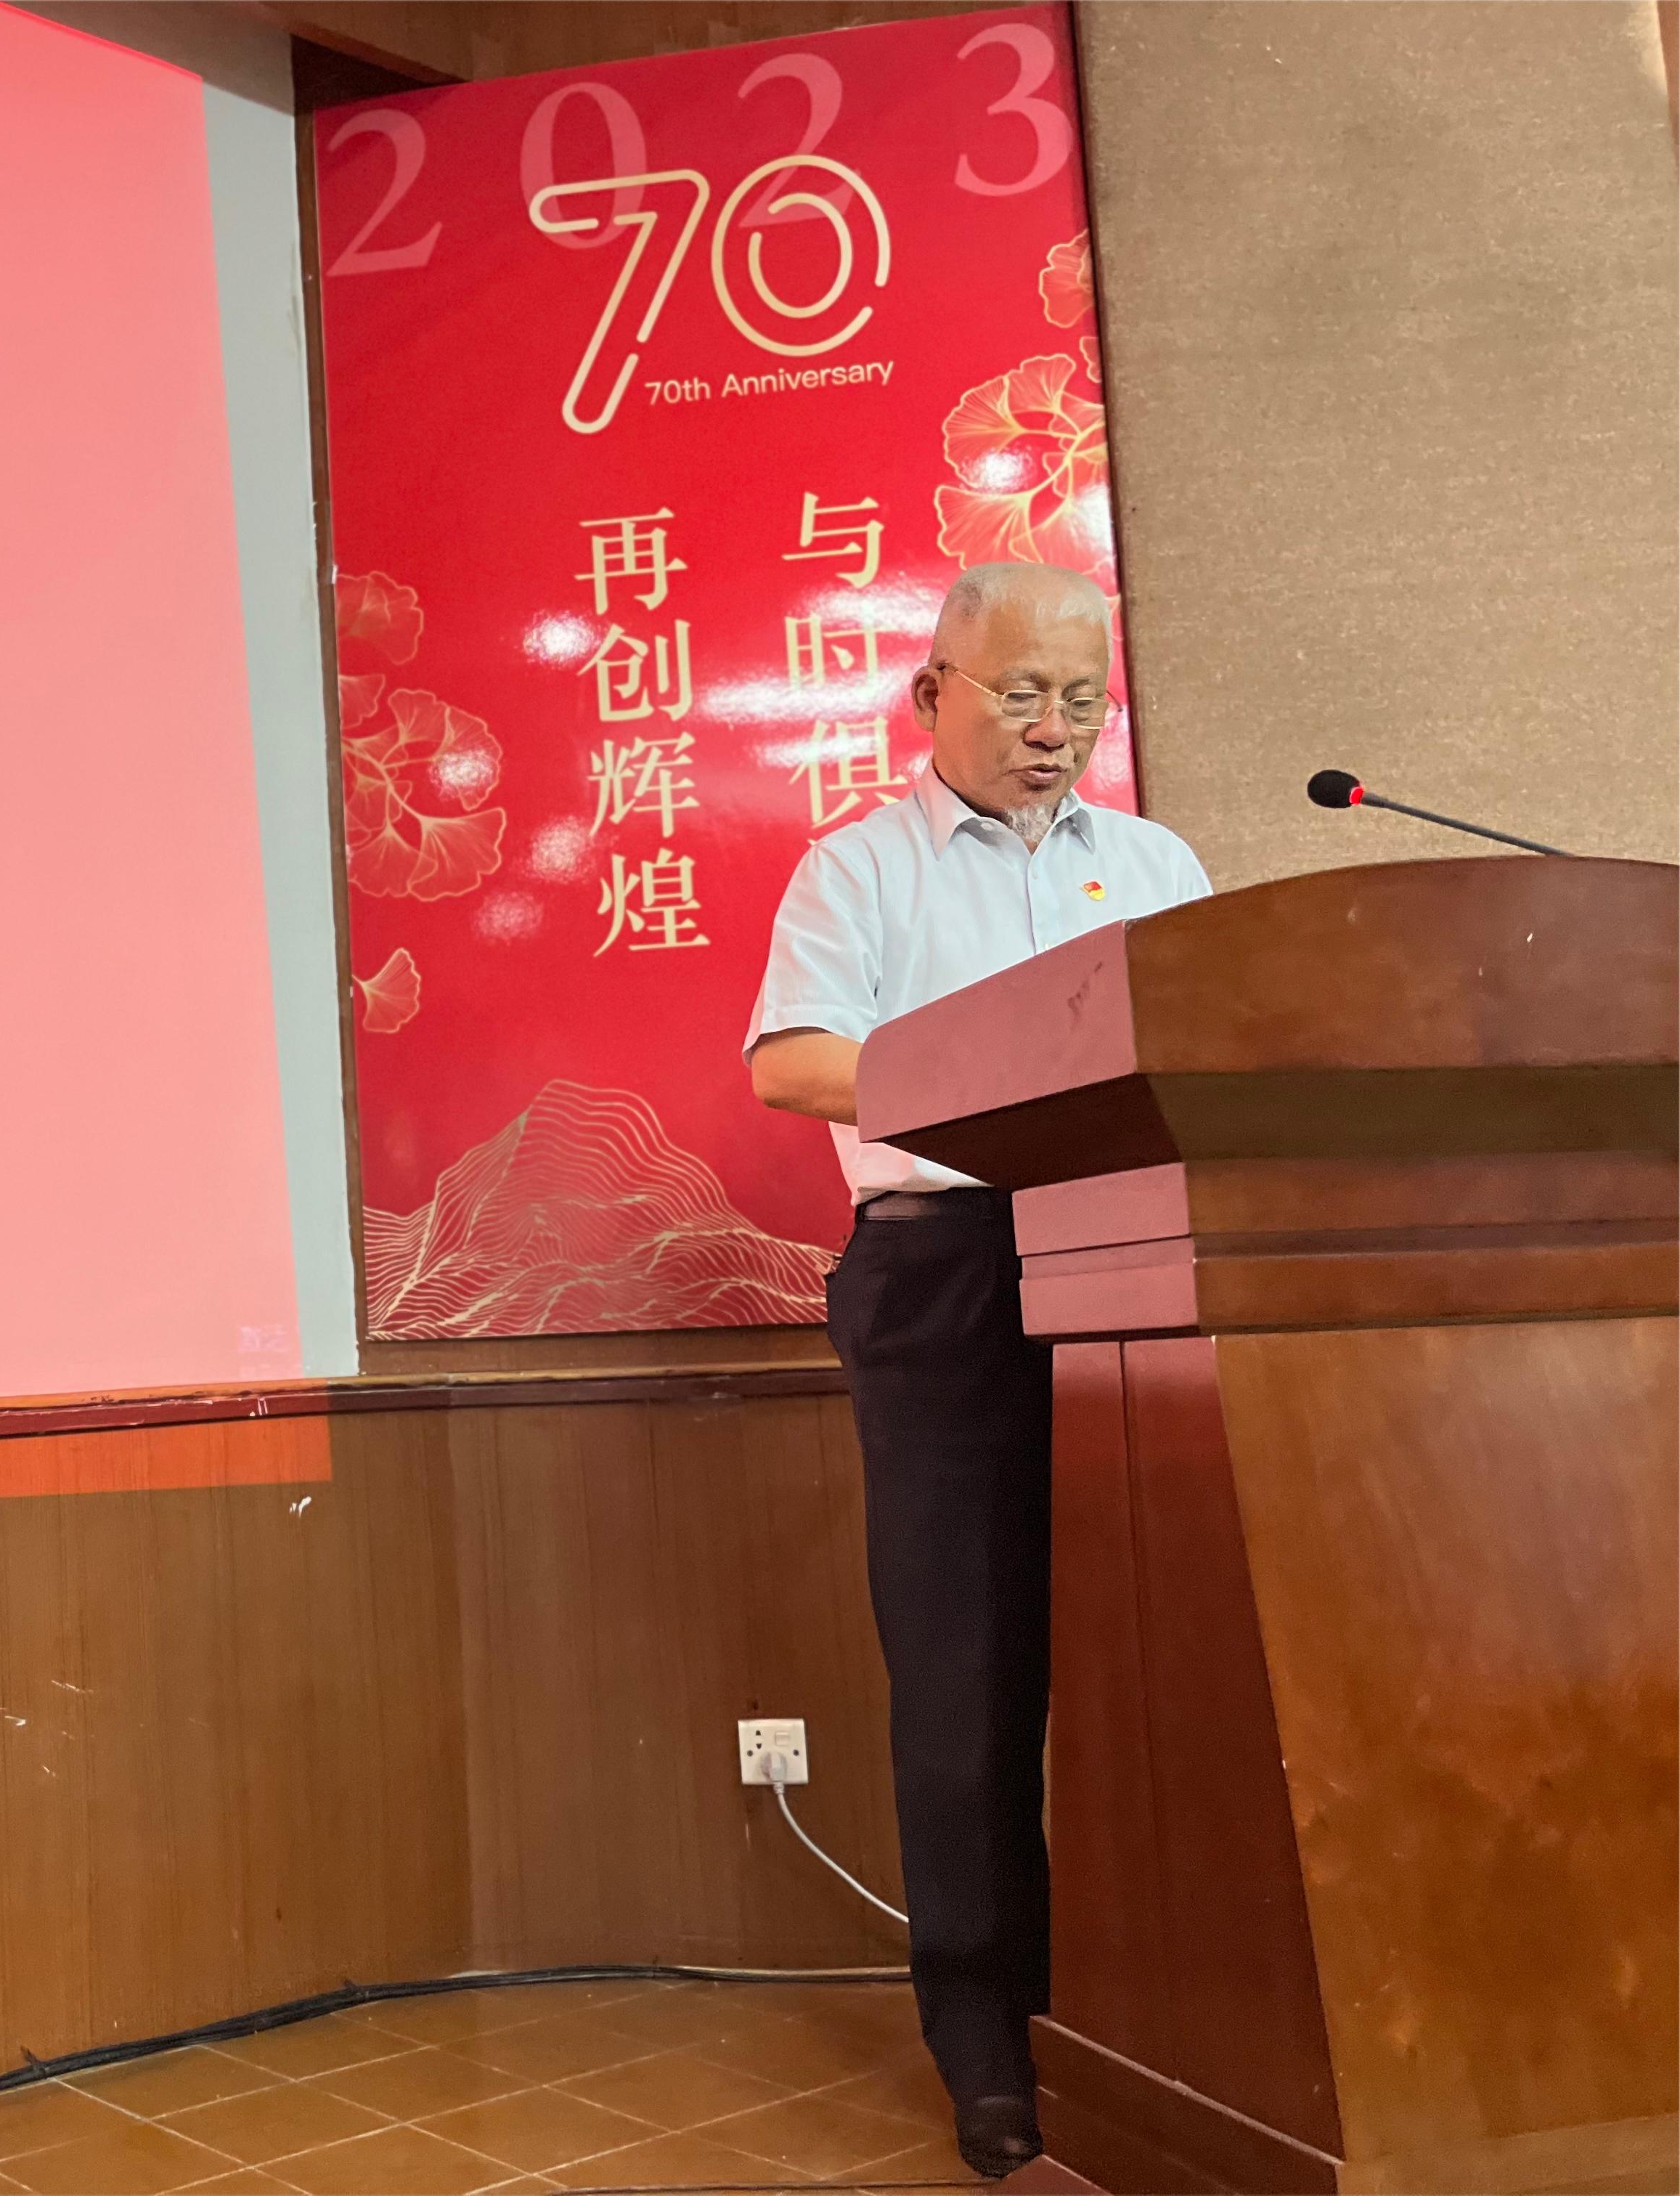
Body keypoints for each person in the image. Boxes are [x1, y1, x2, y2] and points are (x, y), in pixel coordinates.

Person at [744, 561, 1210, 2179]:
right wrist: (992, 1080)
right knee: (967, 1669)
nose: (1053, 727)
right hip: (945, 1275)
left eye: (1081, 699)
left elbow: (1200, 1043)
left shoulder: (1152, 864)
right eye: (1021, 695)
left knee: (1157, 1653)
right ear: (932, 694)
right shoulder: (861, 867)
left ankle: (1154, 2010)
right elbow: (793, 1059)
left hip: (1141, 1266)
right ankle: (987, 2032)